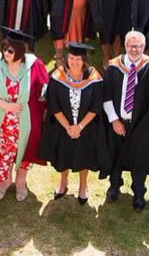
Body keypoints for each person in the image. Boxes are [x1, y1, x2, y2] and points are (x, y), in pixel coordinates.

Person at [0, 28, 49, 201]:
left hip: (27, 120)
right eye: (4, 49)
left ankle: (21, 182)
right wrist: (7, 106)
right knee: (3, 151)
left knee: (25, 151)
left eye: (10, 50)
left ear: (21, 50)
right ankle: (4, 180)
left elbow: (45, 89)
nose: (6, 53)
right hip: (3, 120)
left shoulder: (34, 64)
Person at [100, 30, 149, 209]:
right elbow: (106, 96)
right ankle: (114, 185)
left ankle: (138, 190)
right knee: (115, 154)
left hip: (142, 123)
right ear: (125, 46)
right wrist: (114, 120)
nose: (135, 49)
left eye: (139, 46)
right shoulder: (114, 66)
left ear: (144, 47)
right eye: (131, 45)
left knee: (140, 157)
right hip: (119, 121)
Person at [38, 43, 107, 204]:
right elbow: (53, 105)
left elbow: (96, 106)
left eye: (78, 58)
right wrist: (68, 127)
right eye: (71, 58)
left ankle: (83, 186)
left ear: (84, 60)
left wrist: (80, 127)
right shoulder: (57, 77)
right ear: (67, 59)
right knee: (64, 156)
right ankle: (63, 183)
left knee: (85, 157)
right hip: (64, 128)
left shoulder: (94, 78)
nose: (74, 61)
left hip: (86, 128)